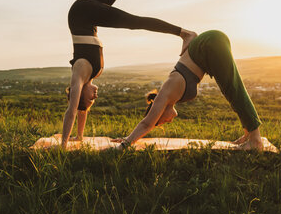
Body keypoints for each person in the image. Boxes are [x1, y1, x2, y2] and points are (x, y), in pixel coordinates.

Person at [61, 0, 196, 148]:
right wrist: (79, 137)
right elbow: (81, 111)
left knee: (133, 22)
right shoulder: (90, 76)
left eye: (89, 98)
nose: (95, 96)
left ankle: (184, 33)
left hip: (80, 12)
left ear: (79, 93)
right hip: (89, 17)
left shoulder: (79, 74)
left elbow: (72, 111)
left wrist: (64, 144)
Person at [112, 30, 264, 151]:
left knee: (233, 88)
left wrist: (125, 144)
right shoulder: (171, 96)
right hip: (208, 46)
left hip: (209, 44)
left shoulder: (165, 93)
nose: (167, 121)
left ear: (159, 111)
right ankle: (249, 134)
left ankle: (255, 140)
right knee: (230, 90)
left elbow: (146, 124)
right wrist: (129, 137)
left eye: (162, 121)